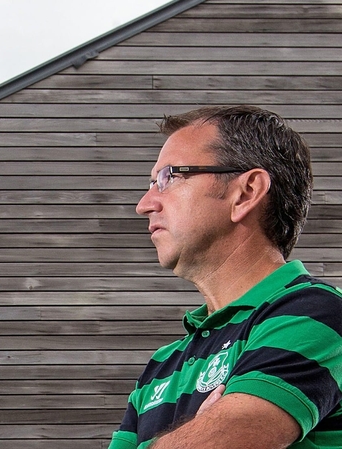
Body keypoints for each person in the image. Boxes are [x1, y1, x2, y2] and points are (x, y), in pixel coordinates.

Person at [109, 105, 342, 449]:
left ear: (245, 193)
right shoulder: (162, 364)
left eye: (168, 177)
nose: (144, 204)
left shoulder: (316, 314)